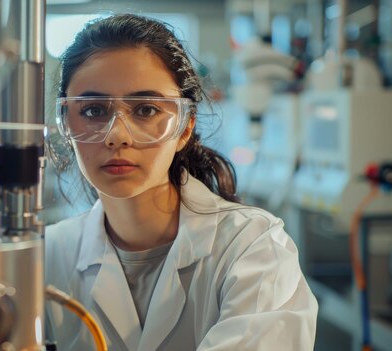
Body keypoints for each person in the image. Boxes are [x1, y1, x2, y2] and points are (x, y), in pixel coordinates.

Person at [44, 13, 317, 351]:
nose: (116, 136)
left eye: (145, 110)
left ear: (184, 127)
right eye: (93, 111)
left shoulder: (253, 248)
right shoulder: (46, 255)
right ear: (66, 124)